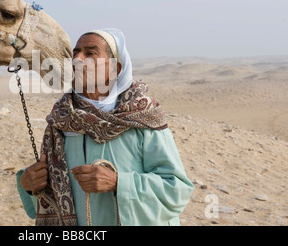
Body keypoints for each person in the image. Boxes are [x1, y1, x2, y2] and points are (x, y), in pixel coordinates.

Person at [16, 28, 193, 226]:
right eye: (75, 54)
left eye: (90, 53)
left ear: (115, 69)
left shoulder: (142, 116)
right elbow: (51, 196)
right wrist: (29, 185)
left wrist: (119, 183)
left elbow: (177, 189)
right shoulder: (61, 121)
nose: (78, 60)